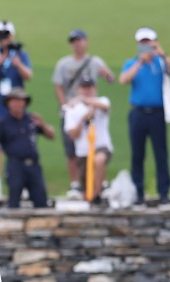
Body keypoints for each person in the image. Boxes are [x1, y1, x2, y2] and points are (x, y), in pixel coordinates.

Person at [119, 27, 170, 208]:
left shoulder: (161, 63)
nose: (146, 46)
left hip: (157, 113)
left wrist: (162, 54)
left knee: (161, 154)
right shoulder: (132, 63)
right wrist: (140, 62)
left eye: (149, 43)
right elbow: (123, 80)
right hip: (138, 113)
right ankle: (138, 193)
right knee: (137, 155)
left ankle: (164, 193)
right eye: (143, 43)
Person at [53, 29, 115, 198]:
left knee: (98, 148)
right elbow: (58, 86)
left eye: (80, 40)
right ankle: (76, 183)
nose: (77, 44)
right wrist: (65, 105)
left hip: (91, 106)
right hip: (73, 108)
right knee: (72, 150)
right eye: (74, 41)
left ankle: (101, 184)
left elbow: (110, 78)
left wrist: (108, 76)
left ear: (86, 42)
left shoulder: (95, 62)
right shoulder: (64, 64)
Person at [0, 20, 33, 197]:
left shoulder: (20, 55)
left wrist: (17, 63)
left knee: (21, 146)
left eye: (7, 36)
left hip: (17, 111)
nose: (5, 40)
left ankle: (24, 184)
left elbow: (29, 75)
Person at [0, 87, 54, 208]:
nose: (18, 103)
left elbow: (51, 135)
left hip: (34, 165)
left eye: (21, 100)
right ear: (8, 103)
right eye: (15, 100)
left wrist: (42, 124)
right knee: (14, 200)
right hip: (15, 165)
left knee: (41, 200)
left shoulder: (32, 120)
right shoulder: (3, 123)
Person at [63, 76, 112, 203]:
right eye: (84, 88)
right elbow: (72, 134)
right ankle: (93, 194)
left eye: (90, 87)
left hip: (101, 146)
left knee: (99, 160)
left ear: (95, 89)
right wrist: (84, 118)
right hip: (83, 152)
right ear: (79, 89)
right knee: (86, 185)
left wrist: (86, 101)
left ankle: (98, 193)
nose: (87, 90)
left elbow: (106, 107)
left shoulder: (102, 101)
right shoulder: (72, 109)